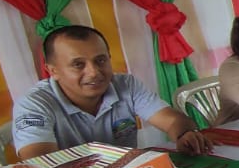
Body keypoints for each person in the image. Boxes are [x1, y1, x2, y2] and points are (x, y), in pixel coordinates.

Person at [12, 25, 213, 160]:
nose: (94, 72)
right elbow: (40, 162)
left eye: (100, 60)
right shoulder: (34, 104)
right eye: (78, 64)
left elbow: (171, 120)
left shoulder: (126, 85)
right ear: (53, 71)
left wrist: (185, 134)